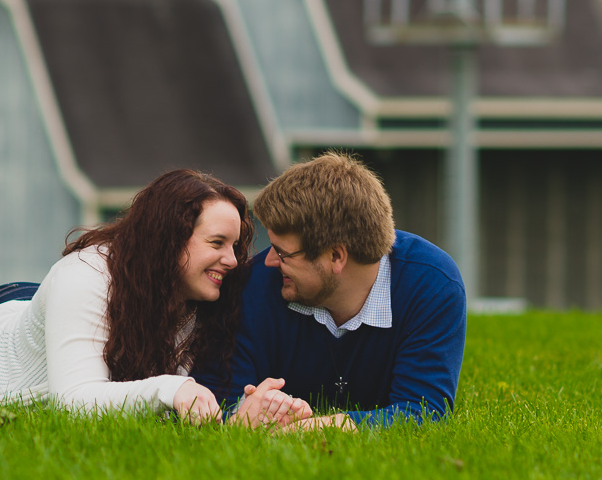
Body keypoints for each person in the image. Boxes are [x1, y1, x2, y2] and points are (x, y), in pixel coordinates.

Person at [0, 168, 305, 424]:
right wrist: (172, 388)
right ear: (170, 238)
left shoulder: (203, 296)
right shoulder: (84, 276)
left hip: (52, 314)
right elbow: (74, 401)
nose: (232, 259)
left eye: (236, 245)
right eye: (217, 243)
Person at [195, 152, 467, 430]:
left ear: (336, 256)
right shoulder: (250, 286)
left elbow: (423, 411)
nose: (269, 261)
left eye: (282, 252)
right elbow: (215, 403)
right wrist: (242, 412)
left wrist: (308, 430)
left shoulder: (432, 285)